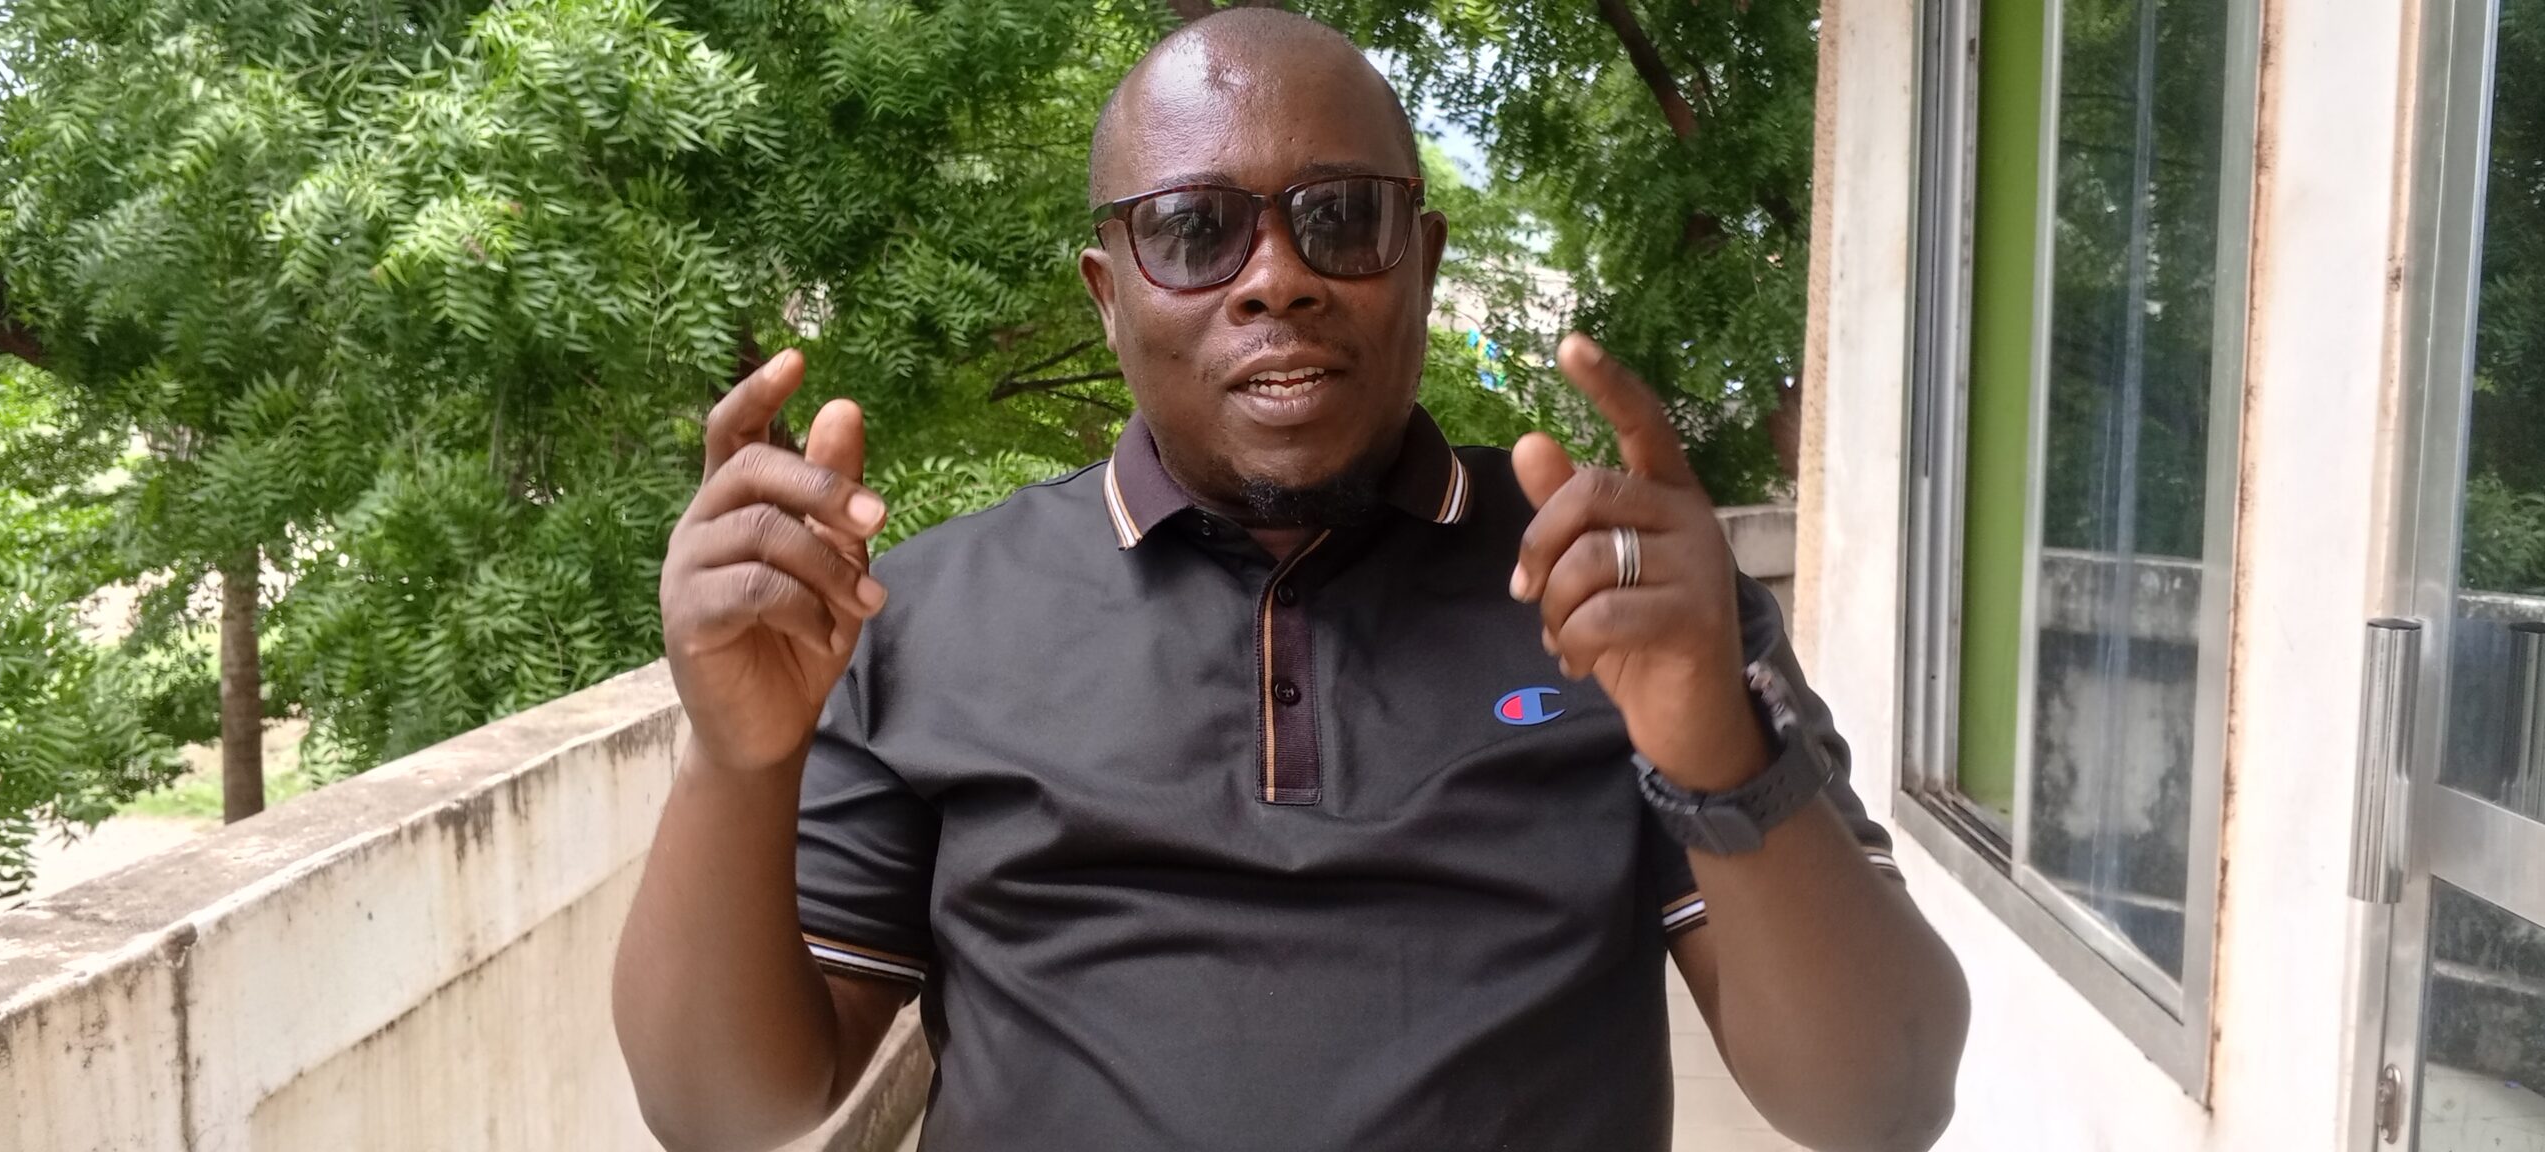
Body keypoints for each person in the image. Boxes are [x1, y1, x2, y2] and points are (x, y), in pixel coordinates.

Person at [613, 10, 1969, 1151]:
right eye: (1192, 230)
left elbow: (1881, 1099)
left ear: (1422, 262)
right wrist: (733, 761)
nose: (1276, 281)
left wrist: (1715, 745)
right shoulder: (919, 620)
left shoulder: (1616, 589)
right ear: (1108, 294)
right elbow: (724, 1112)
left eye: (1341, 217)